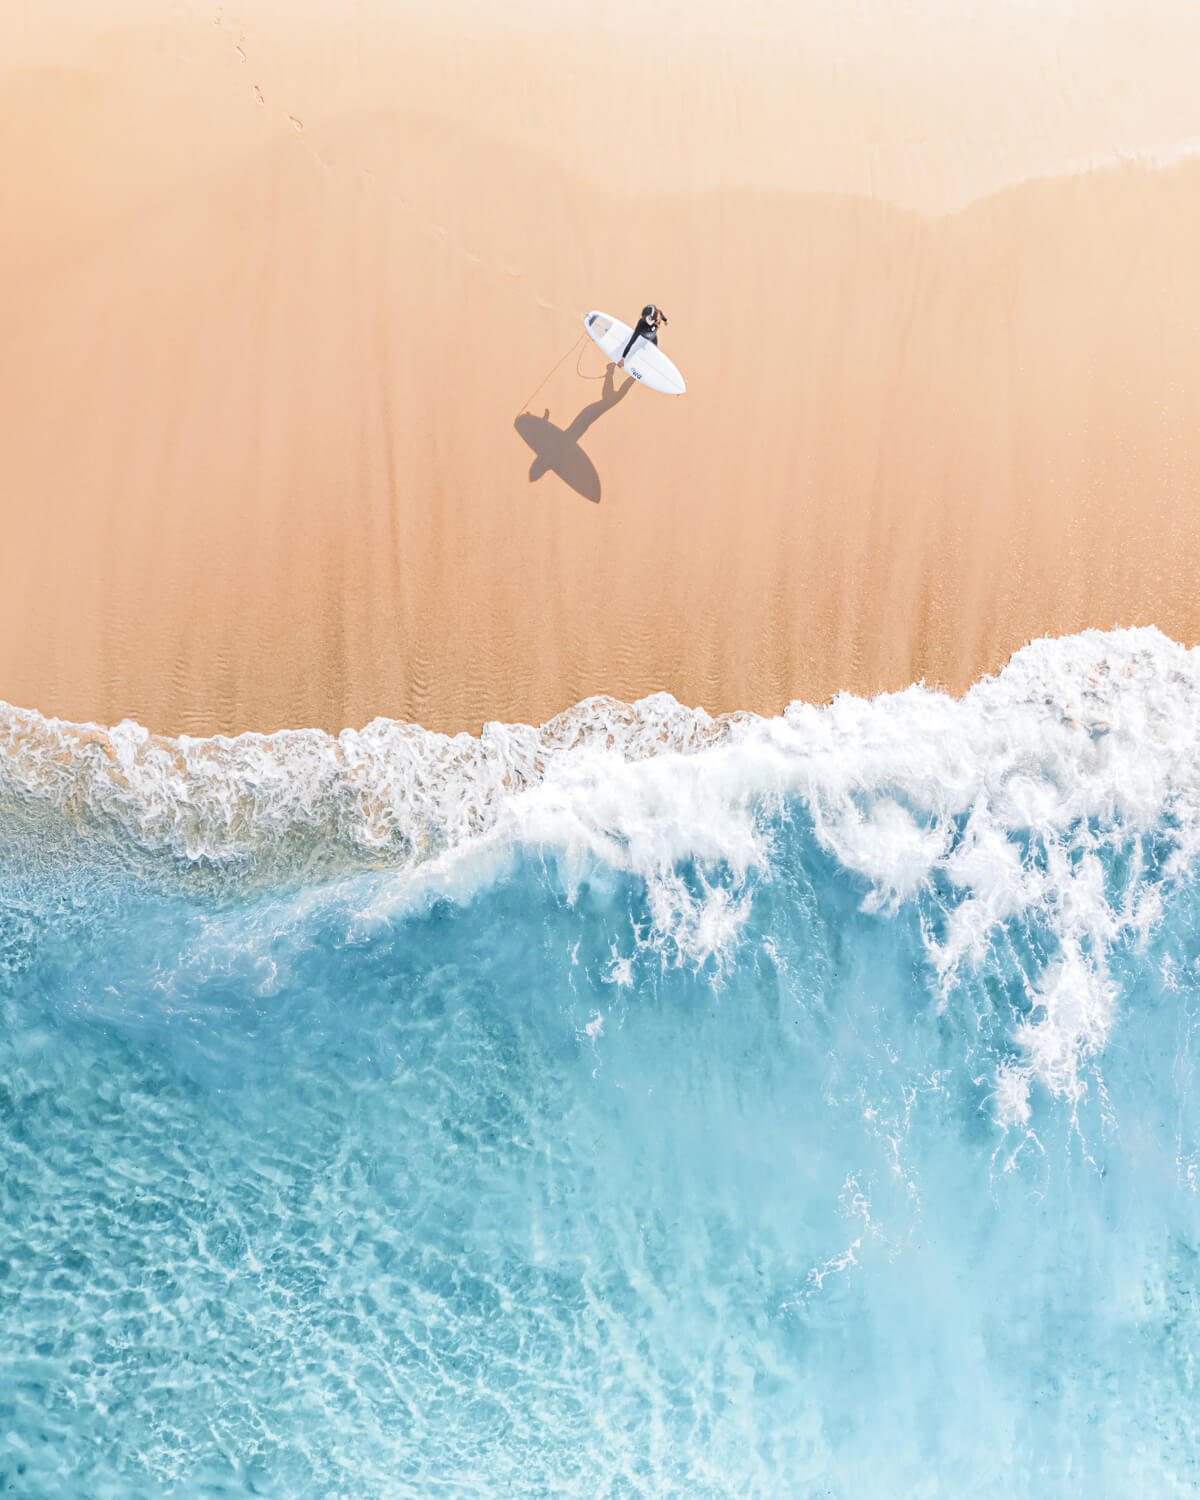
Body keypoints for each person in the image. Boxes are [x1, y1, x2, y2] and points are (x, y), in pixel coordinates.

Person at [618, 304, 668, 369]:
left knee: (655, 349)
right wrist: (623, 358)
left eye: (653, 319)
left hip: (653, 337)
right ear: (645, 316)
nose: (651, 321)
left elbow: (661, 315)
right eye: (649, 319)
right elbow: (631, 342)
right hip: (644, 337)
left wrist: (666, 320)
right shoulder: (641, 325)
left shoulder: (658, 317)